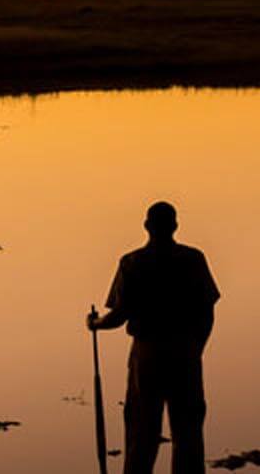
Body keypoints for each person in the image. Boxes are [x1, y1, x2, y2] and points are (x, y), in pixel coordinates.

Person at [88, 201, 221, 474]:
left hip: (147, 355)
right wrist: (197, 348)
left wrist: (96, 324)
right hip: (185, 352)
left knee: (142, 430)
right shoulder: (193, 259)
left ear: (147, 226)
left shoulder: (133, 262)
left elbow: (119, 315)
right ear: (175, 226)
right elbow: (207, 312)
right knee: (188, 433)